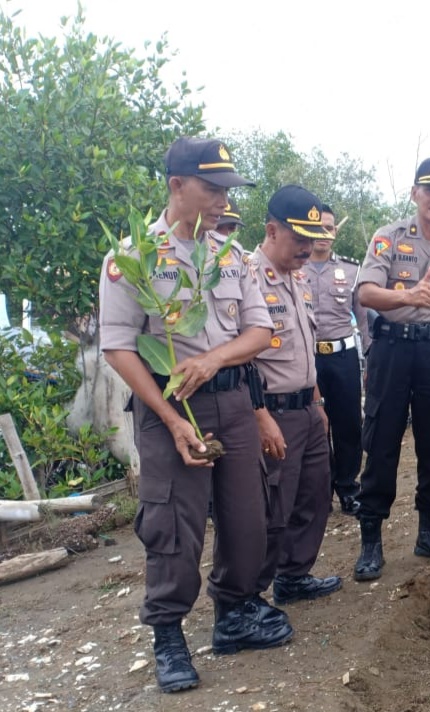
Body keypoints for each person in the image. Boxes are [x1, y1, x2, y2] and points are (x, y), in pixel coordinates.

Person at [99, 137, 290, 694]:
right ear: (176, 185)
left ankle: (234, 613)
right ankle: (168, 634)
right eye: (212, 188)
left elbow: (259, 331)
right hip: (169, 406)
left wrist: (213, 360)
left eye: (227, 190)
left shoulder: (230, 256)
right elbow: (118, 346)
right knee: (174, 526)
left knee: (246, 514)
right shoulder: (131, 259)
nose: (222, 200)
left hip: (231, 399)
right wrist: (171, 416)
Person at [353, 156, 430, 582]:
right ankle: (371, 540)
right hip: (392, 353)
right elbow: (366, 293)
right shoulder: (388, 238)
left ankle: (428, 532)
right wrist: (408, 297)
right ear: (414, 193)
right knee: (382, 442)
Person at [249, 185, 343, 615]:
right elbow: (245, 361)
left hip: (306, 407)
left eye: (312, 239)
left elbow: (306, 348)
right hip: (273, 412)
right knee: (273, 506)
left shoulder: (299, 279)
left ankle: (294, 576)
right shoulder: (247, 277)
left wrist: (319, 403)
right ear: (271, 231)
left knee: (314, 495)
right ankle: (251, 595)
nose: (308, 248)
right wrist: (260, 415)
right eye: (298, 239)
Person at [303, 203, 368, 515]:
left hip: (342, 357)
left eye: (329, 228)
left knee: (348, 424)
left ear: (335, 232)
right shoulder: (294, 268)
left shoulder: (352, 271)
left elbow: (364, 319)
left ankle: (348, 487)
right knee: (314, 426)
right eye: (317, 228)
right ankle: (320, 490)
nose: (323, 235)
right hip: (306, 360)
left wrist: (370, 358)